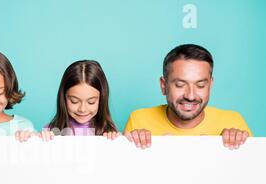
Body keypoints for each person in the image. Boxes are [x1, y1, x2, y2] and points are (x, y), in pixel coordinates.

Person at [124, 44, 252, 150]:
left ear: (210, 85)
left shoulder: (234, 122)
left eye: (200, 85)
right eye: (180, 85)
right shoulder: (138, 121)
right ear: (164, 85)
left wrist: (230, 149)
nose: (190, 96)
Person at [40, 60, 120, 142]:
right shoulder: (50, 131)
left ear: (102, 99)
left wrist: (117, 140)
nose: (82, 109)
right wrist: (32, 139)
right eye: (74, 101)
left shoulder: (109, 132)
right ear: (63, 98)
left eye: (91, 102)